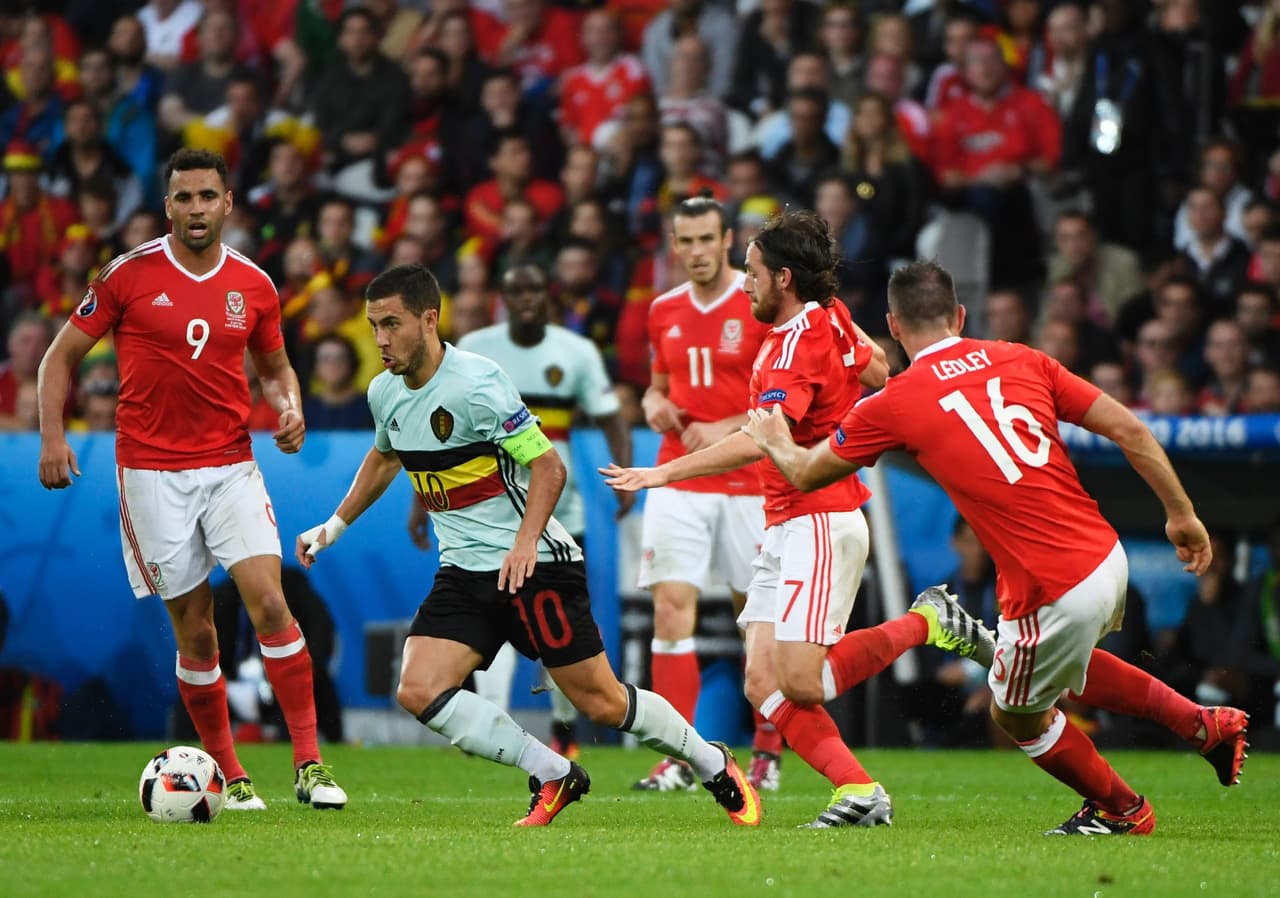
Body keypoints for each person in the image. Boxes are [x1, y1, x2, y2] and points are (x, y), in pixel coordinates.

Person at [742, 259, 1251, 836]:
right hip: (1105, 555)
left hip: (1051, 585)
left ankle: (1124, 810)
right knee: (1061, 668)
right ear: (959, 315)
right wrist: (1182, 515)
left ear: (895, 326)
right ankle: (1200, 722)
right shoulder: (1021, 357)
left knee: (1016, 714)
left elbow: (808, 474)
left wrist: (773, 437)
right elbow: (1131, 430)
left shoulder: (894, 402)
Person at [297, 263, 759, 827]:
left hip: (536, 565)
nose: (380, 340)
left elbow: (548, 466)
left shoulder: (477, 382)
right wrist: (334, 525)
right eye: (373, 326)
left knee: (603, 703)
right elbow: (386, 454)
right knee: (418, 688)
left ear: (429, 319)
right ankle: (553, 773)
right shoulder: (383, 391)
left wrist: (524, 543)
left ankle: (712, 761)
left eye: (391, 324)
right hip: (465, 571)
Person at [603, 211, 992, 827]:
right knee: (763, 680)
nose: (746, 285)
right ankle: (858, 791)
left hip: (820, 522)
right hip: (785, 522)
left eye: (753, 274)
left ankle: (925, 623)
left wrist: (663, 473)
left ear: (783, 278)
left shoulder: (790, 348)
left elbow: (766, 438)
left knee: (801, 683)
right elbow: (877, 369)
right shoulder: (830, 314)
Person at [35, 147, 347, 812]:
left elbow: (275, 368)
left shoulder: (255, 285)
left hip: (231, 463)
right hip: (151, 475)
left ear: (228, 202)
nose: (197, 209)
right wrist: (54, 437)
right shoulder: (127, 276)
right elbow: (59, 359)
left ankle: (310, 765)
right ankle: (231, 776)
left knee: (269, 601)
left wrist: (290, 406)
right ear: (167, 204)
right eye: (185, 198)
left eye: (208, 196)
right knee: (197, 631)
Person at [431, 262, 634, 758]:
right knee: (492, 616)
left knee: (557, 628)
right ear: (502, 296)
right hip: (491, 512)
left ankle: (563, 726)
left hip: (564, 516)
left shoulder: (576, 352)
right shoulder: (476, 347)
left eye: (534, 289)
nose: (525, 298)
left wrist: (623, 477)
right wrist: (423, 504)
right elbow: (443, 435)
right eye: (515, 289)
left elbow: (612, 419)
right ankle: (492, 724)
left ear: (549, 295)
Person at [626, 196, 777, 793]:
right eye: (683, 241)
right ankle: (682, 756)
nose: (694, 252)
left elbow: (782, 393)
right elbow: (655, 387)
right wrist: (653, 404)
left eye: (705, 240)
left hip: (748, 481)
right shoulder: (663, 310)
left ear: (727, 240)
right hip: (678, 476)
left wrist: (734, 426)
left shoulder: (757, 303)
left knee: (756, 619)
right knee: (670, 610)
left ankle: (767, 749)